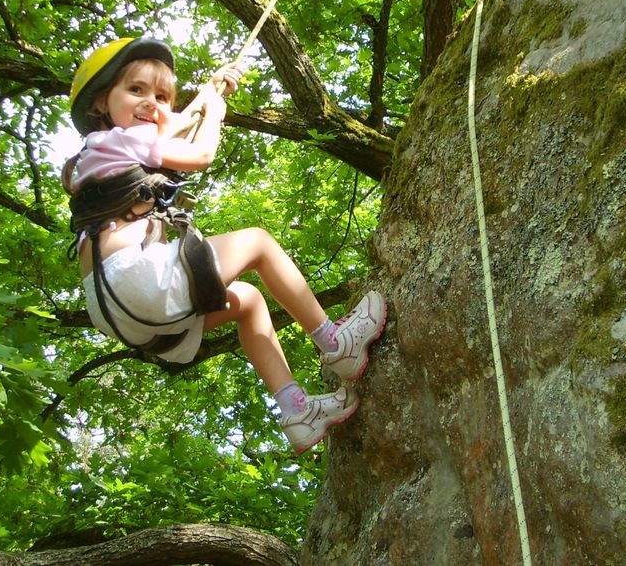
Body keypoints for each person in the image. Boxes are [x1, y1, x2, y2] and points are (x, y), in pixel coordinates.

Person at [64, 36, 386, 453]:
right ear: (99, 105)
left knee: (248, 301)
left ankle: (297, 410)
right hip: (137, 281)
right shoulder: (118, 141)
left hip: (127, 318)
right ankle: (334, 342)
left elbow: (172, 126)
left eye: (162, 95)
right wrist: (215, 112)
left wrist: (209, 92)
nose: (152, 103)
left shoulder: (99, 155)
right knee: (258, 242)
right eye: (136, 90)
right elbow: (198, 153)